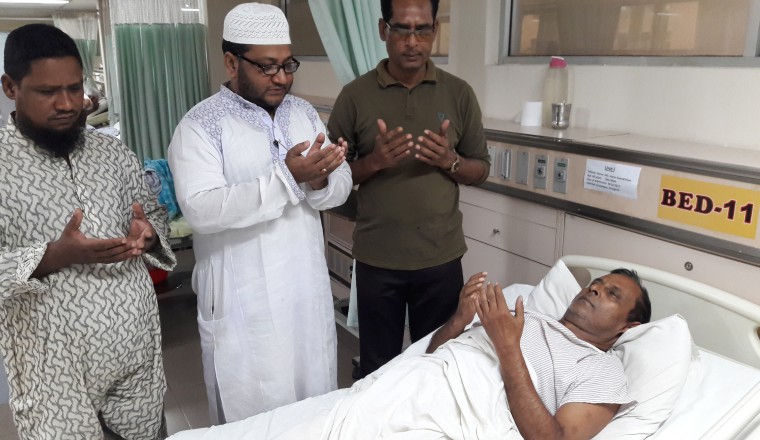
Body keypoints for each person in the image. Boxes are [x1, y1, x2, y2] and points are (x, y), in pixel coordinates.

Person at [167, 3, 353, 424]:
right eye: (267, 67)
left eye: (288, 64)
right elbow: (202, 209)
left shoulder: (303, 113)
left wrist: (321, 179)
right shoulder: (200, 126)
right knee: (253, 415)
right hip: (242, 302)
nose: (282, 77)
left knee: (312, 409)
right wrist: (288, 178)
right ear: (232, 62)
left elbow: (339, 187)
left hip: (304, 292)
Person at [0, 24, 176, 440]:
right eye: (48, 92)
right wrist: (56, 255)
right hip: (53, 370)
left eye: (74, 88)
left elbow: (153, 212)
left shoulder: (113, 152)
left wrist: (149, 233)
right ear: (10, 87)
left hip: (135, 355)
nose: (66, 104)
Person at [327, 0, 492, 378]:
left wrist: (449, 161)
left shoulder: (458, 93)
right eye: (402, 29)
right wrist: (374, 162)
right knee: (377, 368)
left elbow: (480, 169)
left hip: (440, 257)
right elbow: (330, 180)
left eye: (423, 30)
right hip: (377, 259)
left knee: (437, 364)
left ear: (435, 30)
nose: (413, 41)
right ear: (383, 30)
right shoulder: (355, 96)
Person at [422, 269, 652, 440]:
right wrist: (459, 320)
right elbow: (434, 356)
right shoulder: (525, 316)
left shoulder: (602, 369)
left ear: (628, 327)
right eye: (594, 284)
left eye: (612, 294)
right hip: (423, 382)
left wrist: (507, 347)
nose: (594, 289)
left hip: (459, 416)